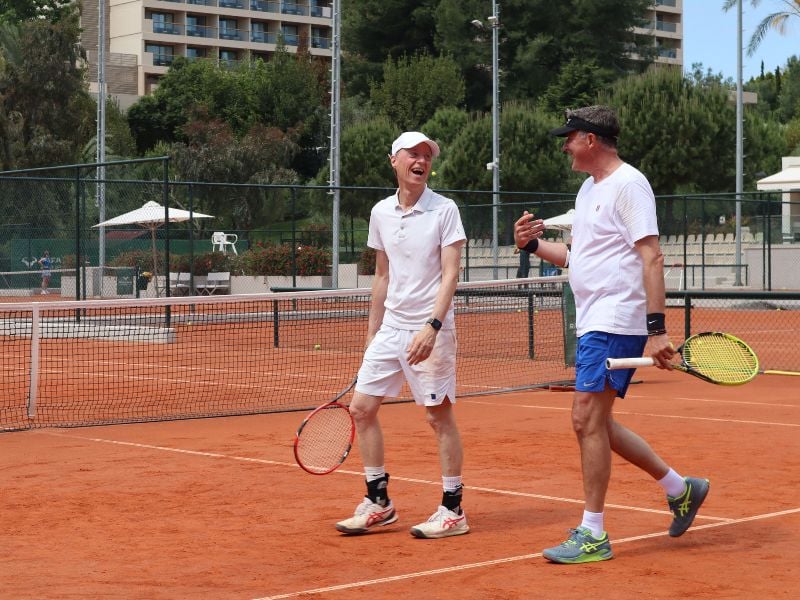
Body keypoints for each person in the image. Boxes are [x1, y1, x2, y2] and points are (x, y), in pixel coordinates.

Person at [514, 106, 709, 564]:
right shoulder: (589, 189)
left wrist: (657, 330)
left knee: (585, 419)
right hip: (594, 318)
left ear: (590, 140)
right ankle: (681, 489)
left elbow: (652, 257)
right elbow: (576, 256)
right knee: (596, 422)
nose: (564, 145)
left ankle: (593, 533)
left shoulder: (629, 185)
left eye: (570, 137)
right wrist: (532, 245)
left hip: (617, 318)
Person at [335, 131, 469, 539]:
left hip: (430, 329)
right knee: (361, 409)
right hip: (390, 329)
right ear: (394, 159)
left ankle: (453, 510)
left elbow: (451, 274)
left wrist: (433, 326)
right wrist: (372, 335)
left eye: (427, 155)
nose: (421, 160)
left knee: (437, 417)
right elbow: (382, 276)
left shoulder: (445, 211)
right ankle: (379, 502)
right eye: (413, 153)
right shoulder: (381, 213)